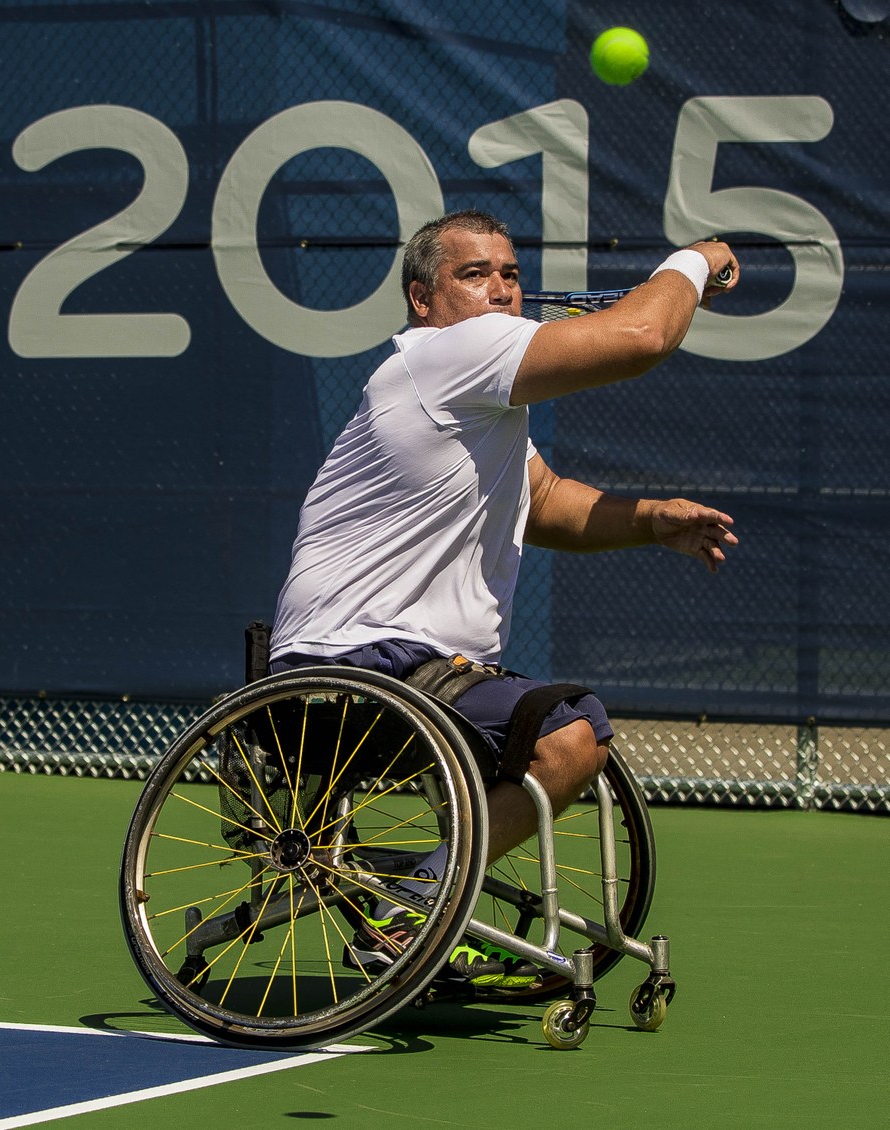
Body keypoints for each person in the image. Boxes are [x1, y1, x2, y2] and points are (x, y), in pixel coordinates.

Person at [268, 209, 739, 988]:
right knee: (568, 735)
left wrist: (651, 520)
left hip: (402, 665)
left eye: (510, 275)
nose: (499, 289)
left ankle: (421, 896)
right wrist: (692, 260)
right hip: (359, 659)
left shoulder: (472, 400)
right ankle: (410, 907)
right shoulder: (452, 351)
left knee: (550, 729)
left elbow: (546, 501)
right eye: (473, 274)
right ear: (423, 300)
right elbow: (639, 338)